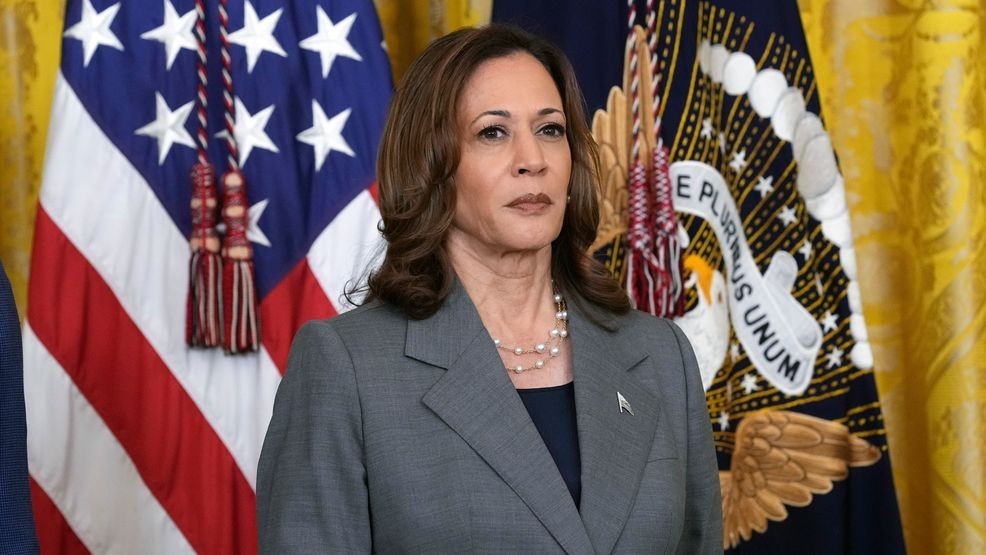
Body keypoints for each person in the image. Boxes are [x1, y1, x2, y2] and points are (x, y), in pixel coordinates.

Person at [256, 25, 721, 554]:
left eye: (550, 130)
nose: (532, 159)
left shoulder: (661, 356)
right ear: (431, 164)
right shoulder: (348, 368)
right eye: (492, 133)